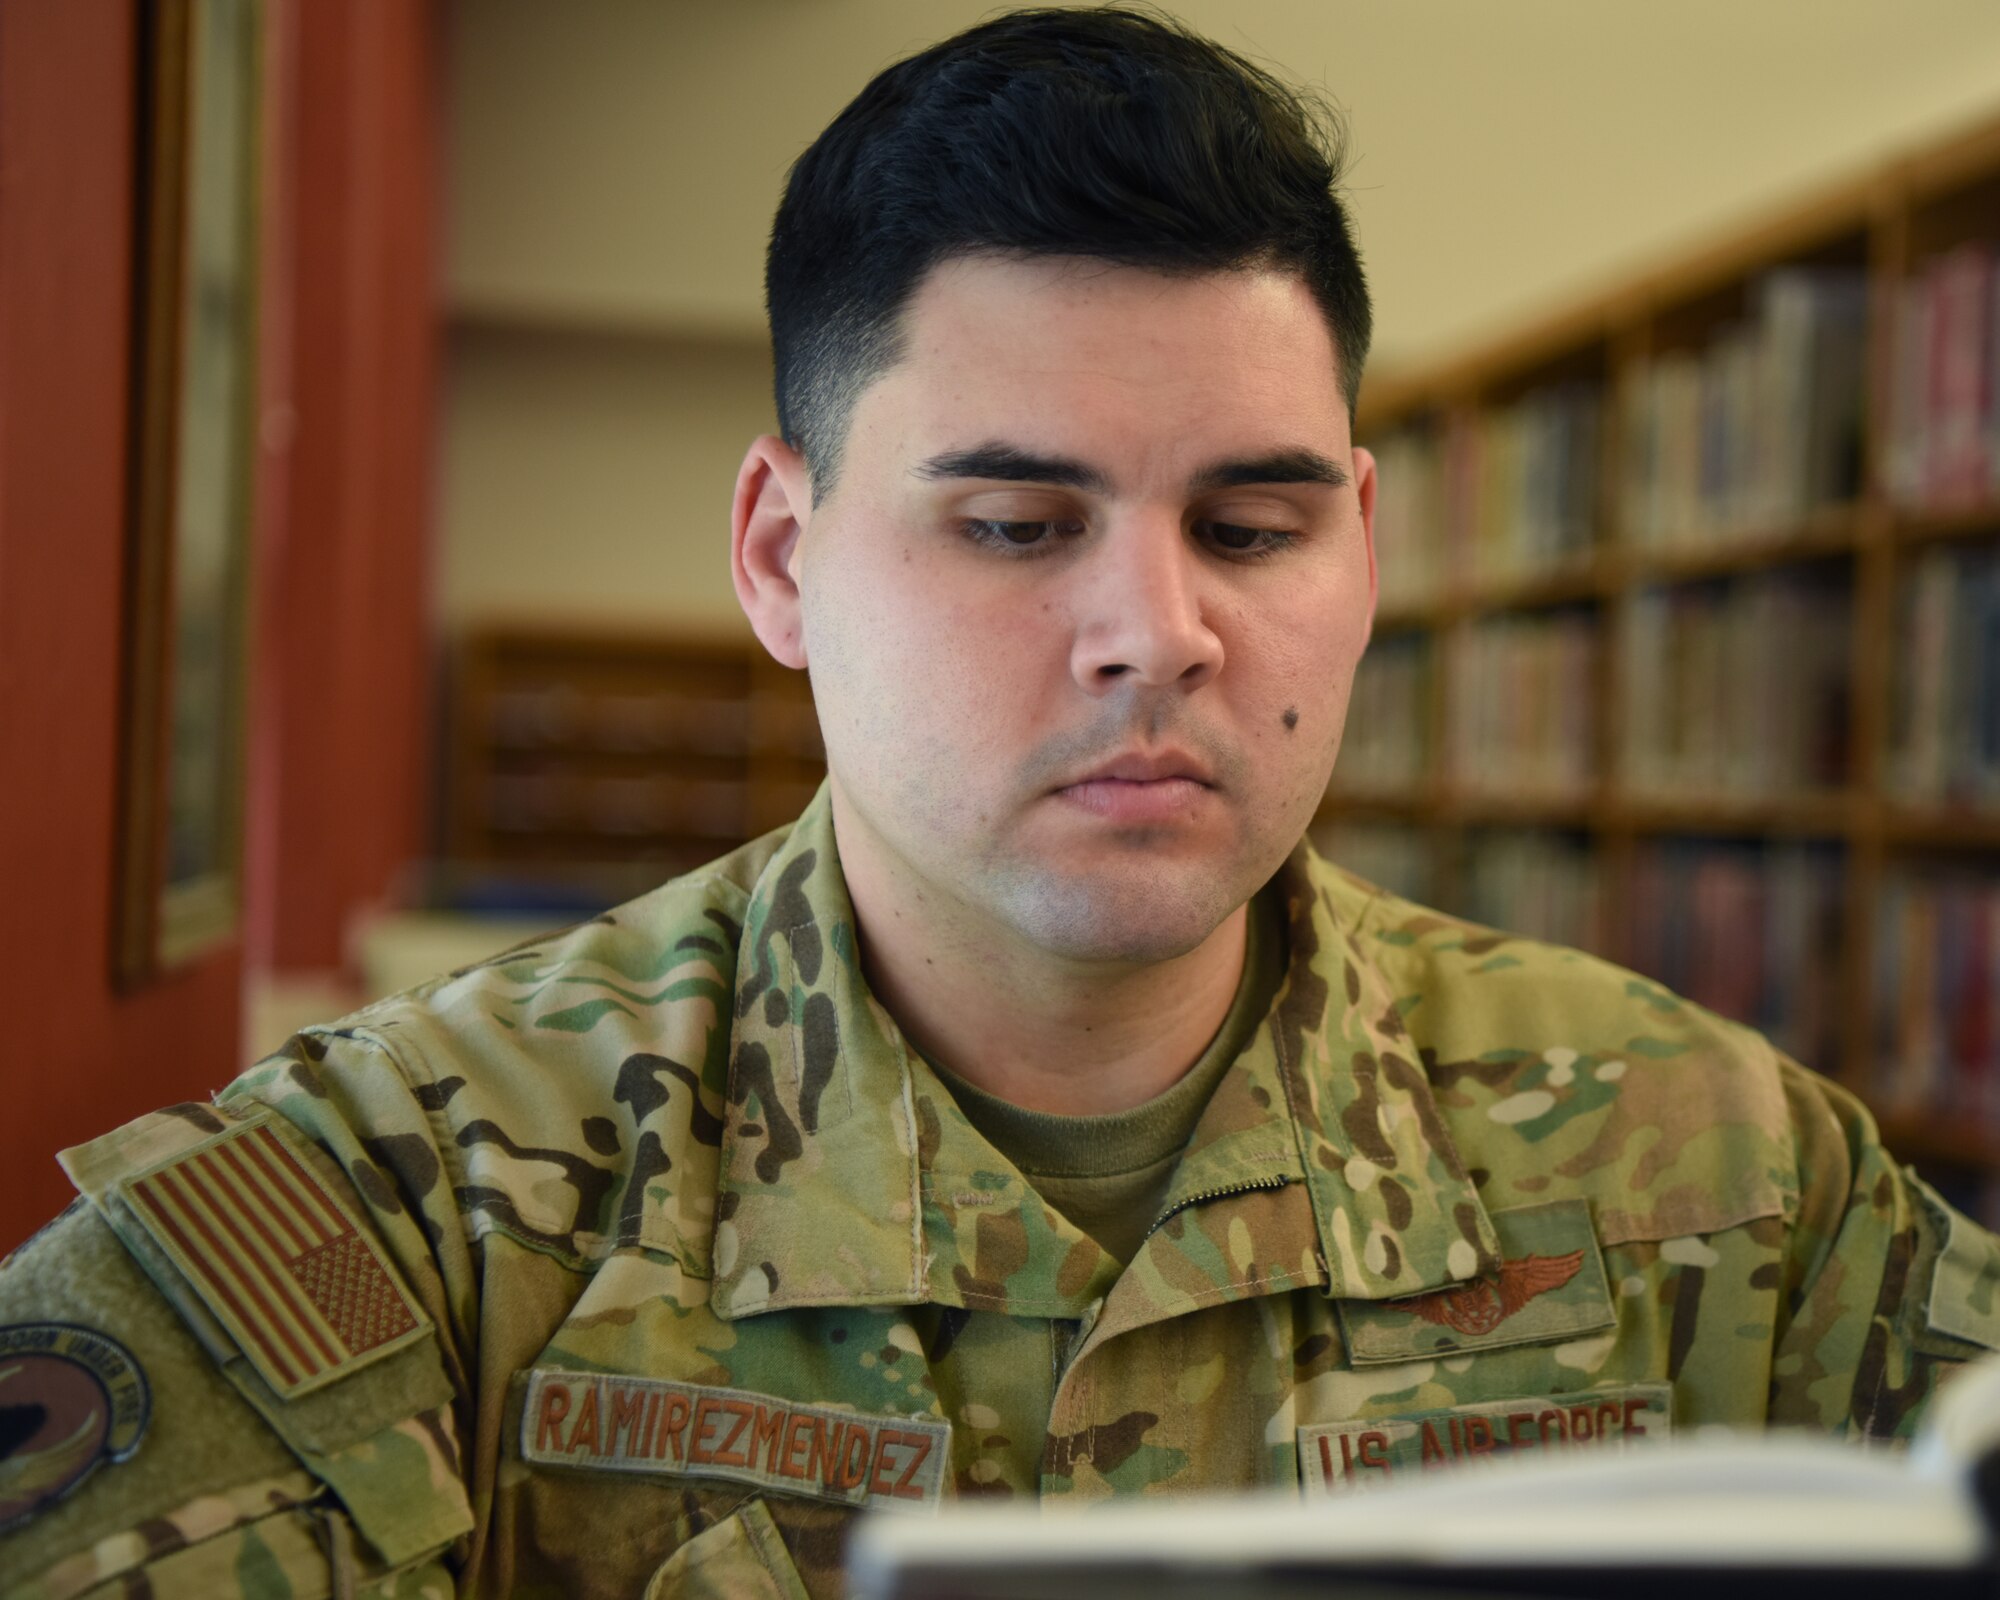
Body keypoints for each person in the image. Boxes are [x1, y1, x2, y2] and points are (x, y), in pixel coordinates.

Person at [4, 8, 1997, 1598]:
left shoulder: (1725, 1178)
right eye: (1020, 519)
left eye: (1251, 521)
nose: (1157, 630)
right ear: (782, 558)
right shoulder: (389, 1215)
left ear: (1365, 551)